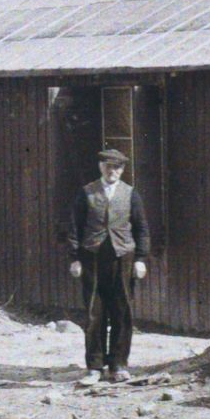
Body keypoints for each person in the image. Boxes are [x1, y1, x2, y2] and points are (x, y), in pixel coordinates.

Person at [66, 146, 150, 385]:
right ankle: (95, 366)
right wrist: (74, 258)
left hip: (123, 257)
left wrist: (141, 259)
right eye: (108, 166)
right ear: (100, 167)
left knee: (122, 311)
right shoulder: (87, 192)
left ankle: (119, 365)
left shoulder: (130, 194)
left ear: (122, 170)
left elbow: (142, 229)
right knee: (94, 313)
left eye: (117, 167)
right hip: (92, 257)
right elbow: (74, 227)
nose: (112, 171)